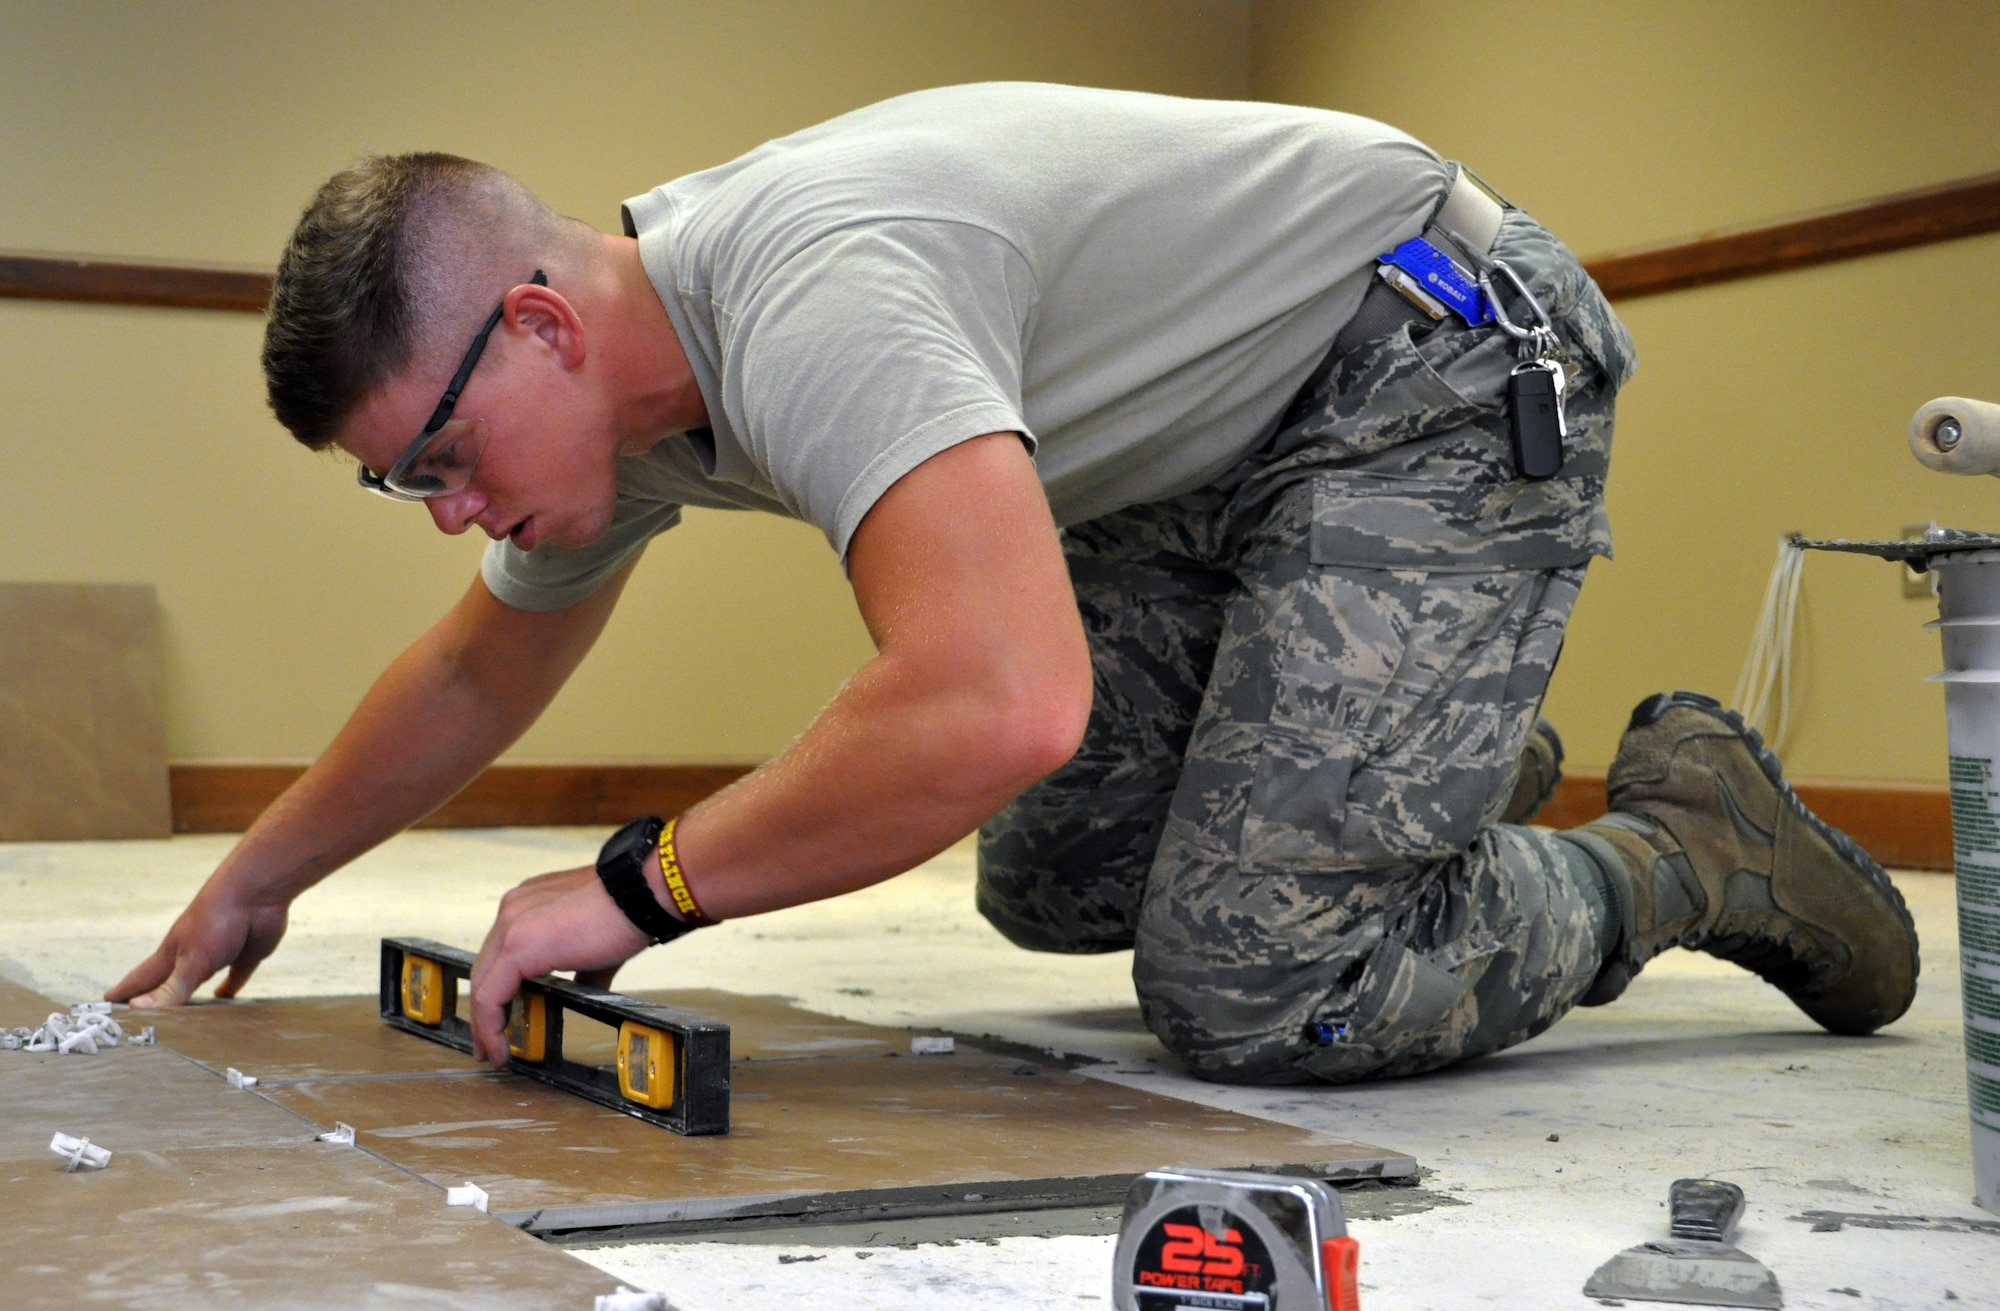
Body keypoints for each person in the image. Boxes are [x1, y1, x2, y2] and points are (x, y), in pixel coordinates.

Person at [109, 83, 1918, 1085]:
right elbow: (477, 674)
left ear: (537, 324)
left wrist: (641, 890)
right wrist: (260, 877)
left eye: (432, 459)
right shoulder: (610, 397)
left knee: (1263, 992)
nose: (441, 511)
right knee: (1057, 882)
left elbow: (994, 700)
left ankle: (1686, 848)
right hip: (1199, 453)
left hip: (1417, 363)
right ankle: (1410, 774)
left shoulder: (815, 292)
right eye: (396, 487)